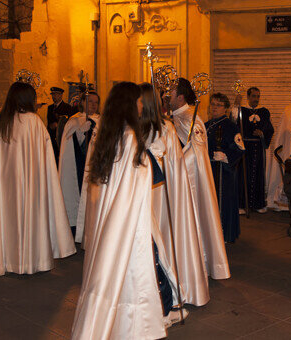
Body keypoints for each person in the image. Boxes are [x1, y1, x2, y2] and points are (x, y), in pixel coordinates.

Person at [72, 82, 171, 339]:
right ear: (129, 104)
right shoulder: (129, 138)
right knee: (134, 271)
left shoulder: (110, 134)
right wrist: (153, 159)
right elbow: (136, 183)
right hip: (128, 220)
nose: (141, 106)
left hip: (113, 219)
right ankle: (135, 325)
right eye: (139, 101)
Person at [0, 82, 76, 276]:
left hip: (2, 187)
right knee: (29, 216)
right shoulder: (33, 122)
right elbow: (46, 157)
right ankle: (28, 259)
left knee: (2, 216)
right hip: (29, 185)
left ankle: (2, 258)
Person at [139, 83, 210, 307]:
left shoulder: (167, 127)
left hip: (162, 190)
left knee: (166, 234)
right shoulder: (143, 126)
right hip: (144, 191)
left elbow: (182, 156)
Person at [170, 78, 230, 280]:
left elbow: (195, 151)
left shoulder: (191, 118)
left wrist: (172, 163)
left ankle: (197, 263)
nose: (164, 95)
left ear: (180, 97)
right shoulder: (173, 116)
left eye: (169, 92)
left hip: (189, 179)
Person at [58, 91, 100, 237]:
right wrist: (80, 134)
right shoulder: (73, 121)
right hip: (77, 167)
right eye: (90, 102)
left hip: (94, 165)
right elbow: (69, 144)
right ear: (82, 102)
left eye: (96, 102)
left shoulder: (101, 120)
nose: (93, 105)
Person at [206, 93, 245, 243]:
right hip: (208, 169)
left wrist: (225, 155)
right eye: (213, 104)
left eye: (218, 105)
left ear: (225, 108)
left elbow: (240, 148)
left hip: (224, 172)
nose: (214, 107)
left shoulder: (231, 127)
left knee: (223, 201)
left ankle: (224, 234)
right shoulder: (205, 125)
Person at [232, 87, 274, 214]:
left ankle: (258, 204)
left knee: (258, 175)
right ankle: (241, 205)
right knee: (243, 175)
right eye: (254, 96)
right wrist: (236, 105)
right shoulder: (241, 110)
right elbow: (233, 121)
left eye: (258, 96)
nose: (256, 99)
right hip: (245, 148)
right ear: (248, 97)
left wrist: (262, 133)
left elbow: (269, 128)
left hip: (258, 147)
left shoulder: (264, 112)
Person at [47, 86, 73, 161]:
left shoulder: (67, 107)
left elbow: (68, 123)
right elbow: (49, 122)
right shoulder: (50, 108)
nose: (53, 96)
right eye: (52, 94)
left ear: (61, 95)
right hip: (52, 138)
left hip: (61, 138)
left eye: (56, 94)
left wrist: (57, 125)